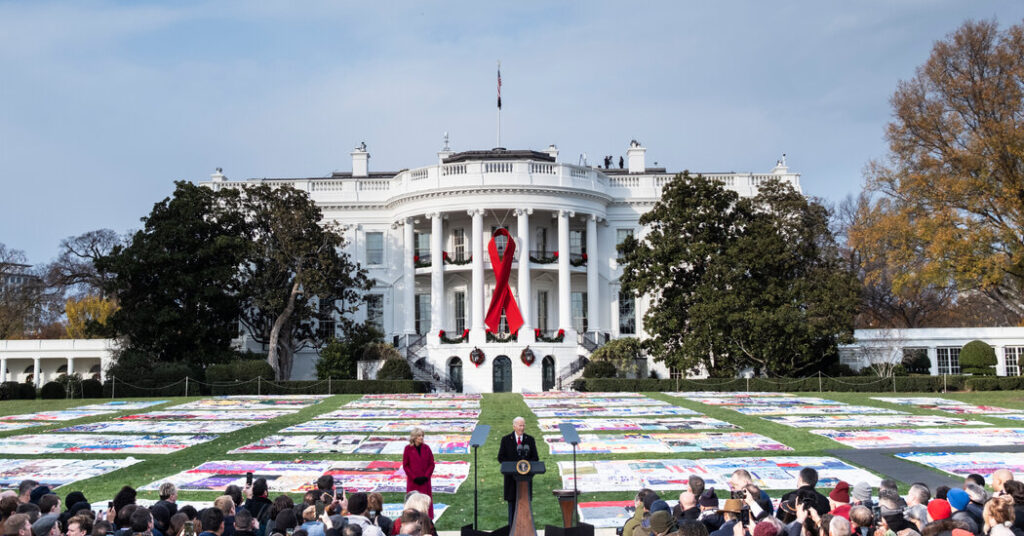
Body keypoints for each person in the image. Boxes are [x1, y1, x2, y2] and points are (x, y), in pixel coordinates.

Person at [497, 416, 539, 526]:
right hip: (511, 480)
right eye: (520, 425)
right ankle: (512, 530)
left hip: (526, 481)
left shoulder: (530, 440)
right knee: (512, 508)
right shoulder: (506, 440)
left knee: (525, 508)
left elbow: (535, 458)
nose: (522, 428)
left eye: (523, 425)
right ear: (514, 426)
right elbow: (501, 457)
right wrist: (514, 467)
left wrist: (525, 467)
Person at [402, 429, 434, 519]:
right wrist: (414, 477)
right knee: (413, 501)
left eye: (422, 436)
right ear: (414, 437)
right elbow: (406, 465)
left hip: (425, 482)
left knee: (425, 501)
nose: (421, 438)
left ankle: (427, 520)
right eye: (419, 436)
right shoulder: (407, 449)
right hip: (413, 482)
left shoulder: (427, 448)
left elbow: (431, 464)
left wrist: (426, 476)